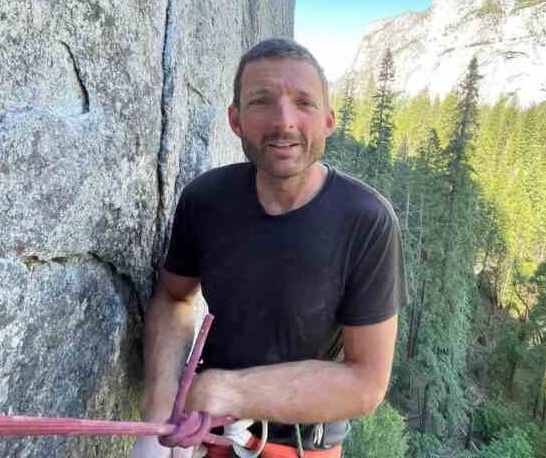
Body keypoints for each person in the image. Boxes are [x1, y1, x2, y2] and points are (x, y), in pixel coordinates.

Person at [131, 38, 407, 458]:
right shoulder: (207, 200)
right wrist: (156, 418)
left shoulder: (366, 221)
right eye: (261, 101)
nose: (284, 121)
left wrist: (227, 389)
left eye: (304, 103)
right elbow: (174, 297)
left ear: (329, 120)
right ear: (236, 120)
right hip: (208, 434)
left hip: (298, 447)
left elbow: (366, 383)